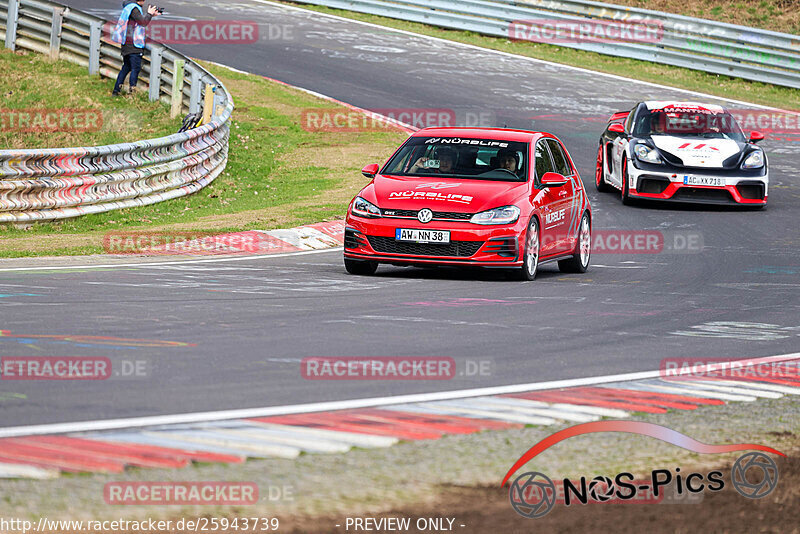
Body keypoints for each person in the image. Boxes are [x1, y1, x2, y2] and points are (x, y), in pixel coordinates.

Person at [111, 0, 160, 96]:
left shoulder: (128, 7)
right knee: (135, 68)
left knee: (126, 67)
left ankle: (116, 90)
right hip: (134, 44)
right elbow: (143, 22)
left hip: (126, 43)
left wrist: (150, 16)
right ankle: (131, 93)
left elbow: (137, 20)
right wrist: (149, 14)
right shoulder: (134, 8)